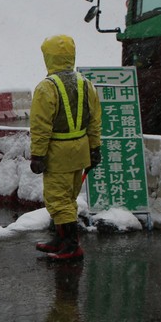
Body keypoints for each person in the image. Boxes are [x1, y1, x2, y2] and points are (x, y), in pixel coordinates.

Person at [29, 35, 101, 261]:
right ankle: (62, 241)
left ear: (49, 58)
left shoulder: (46, 88)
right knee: (69, 198)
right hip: (79, 152)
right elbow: (94, 120)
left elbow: (41, 126)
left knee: (58, 200)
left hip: (58, 154)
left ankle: (71, 246)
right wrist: (94, 148)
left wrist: (38, 155)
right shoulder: (85, 84)